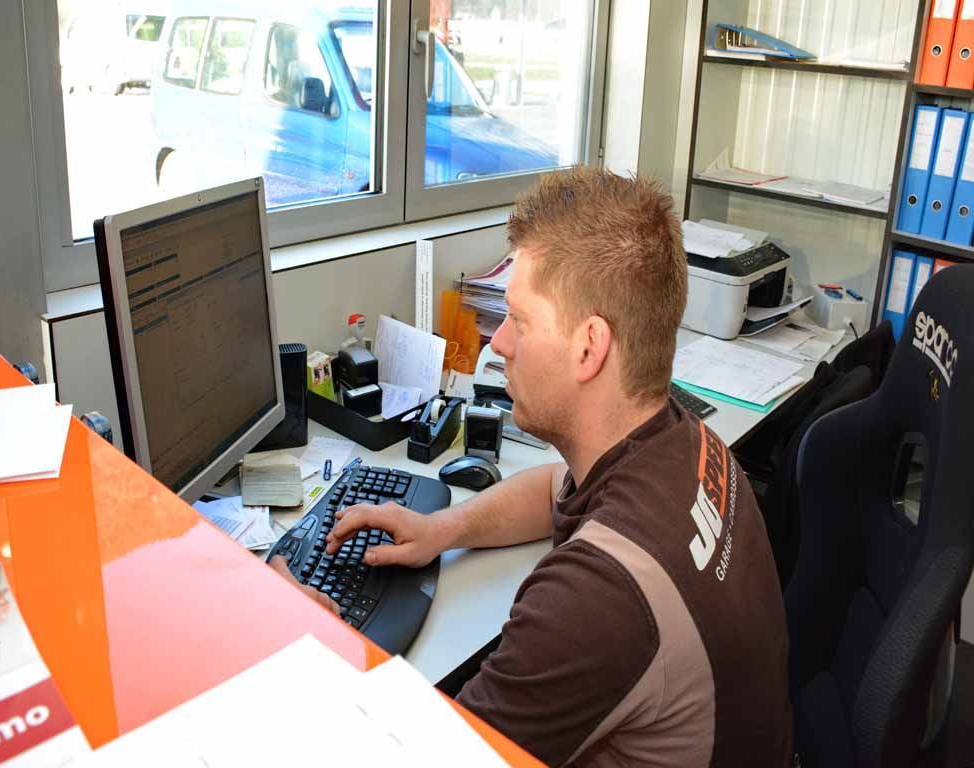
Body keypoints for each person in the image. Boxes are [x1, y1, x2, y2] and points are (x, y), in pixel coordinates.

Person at [271, 167, 793, 767]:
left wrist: (313, 643)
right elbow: (554, 487)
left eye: (518, 320)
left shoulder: (596, 600)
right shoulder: (691, 442)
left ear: (588, 347)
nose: (498, 345)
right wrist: (441, 529)